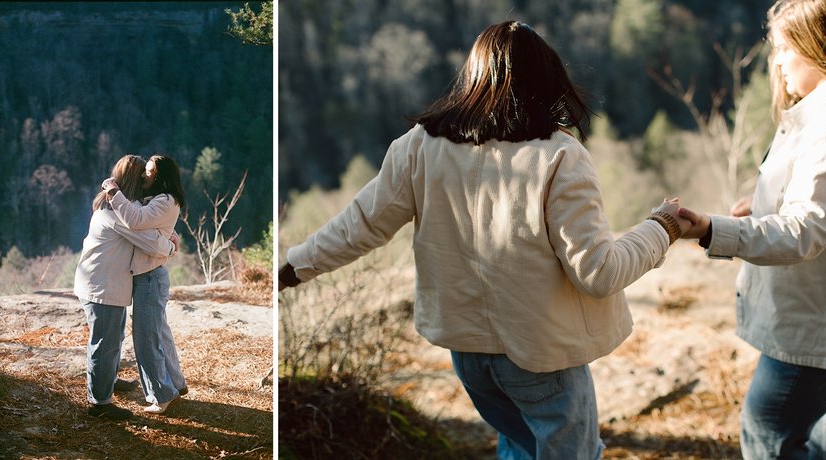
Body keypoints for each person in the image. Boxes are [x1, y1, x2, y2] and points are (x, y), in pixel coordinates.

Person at [279, 21, 689, 459]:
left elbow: (358, 226)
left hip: (468, 353)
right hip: (541, 354)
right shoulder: (559, 156)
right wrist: (661, 227)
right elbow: (599, 273)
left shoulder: (419, 146)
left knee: (517, 443)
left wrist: (292, 268)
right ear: (547, 80)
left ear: (472, 77)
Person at [678, 1, 826, 458]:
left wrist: (711, 230)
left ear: (819, 47)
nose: (777, 62)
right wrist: (764, 204)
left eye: (785, 49)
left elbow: (805, 231)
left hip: (824, 323)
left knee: (767, 428)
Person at [76, 155, 178, 421]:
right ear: (133, 179)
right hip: (102, 286)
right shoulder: (116, 212)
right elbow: (151, 243)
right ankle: (99, 402)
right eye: (142, 175)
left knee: (112, 340)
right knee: (104, 343)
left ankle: (106, 380)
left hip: (109, 285)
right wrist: (170, 245)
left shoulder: (119, 207)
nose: (147, 178)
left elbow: (145, 227)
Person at [103, 154, 188, 414]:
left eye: (149, 172)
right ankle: (175, 384)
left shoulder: (164, 201)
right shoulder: (160, 201)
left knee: (146, 340)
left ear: (161, 176)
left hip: (150, 278)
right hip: (151, 276)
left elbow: (135, 221)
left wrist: (114, 192)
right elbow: (143, 224)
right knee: (159, 334)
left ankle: (161, 395)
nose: (144, 175)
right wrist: (168, 243)